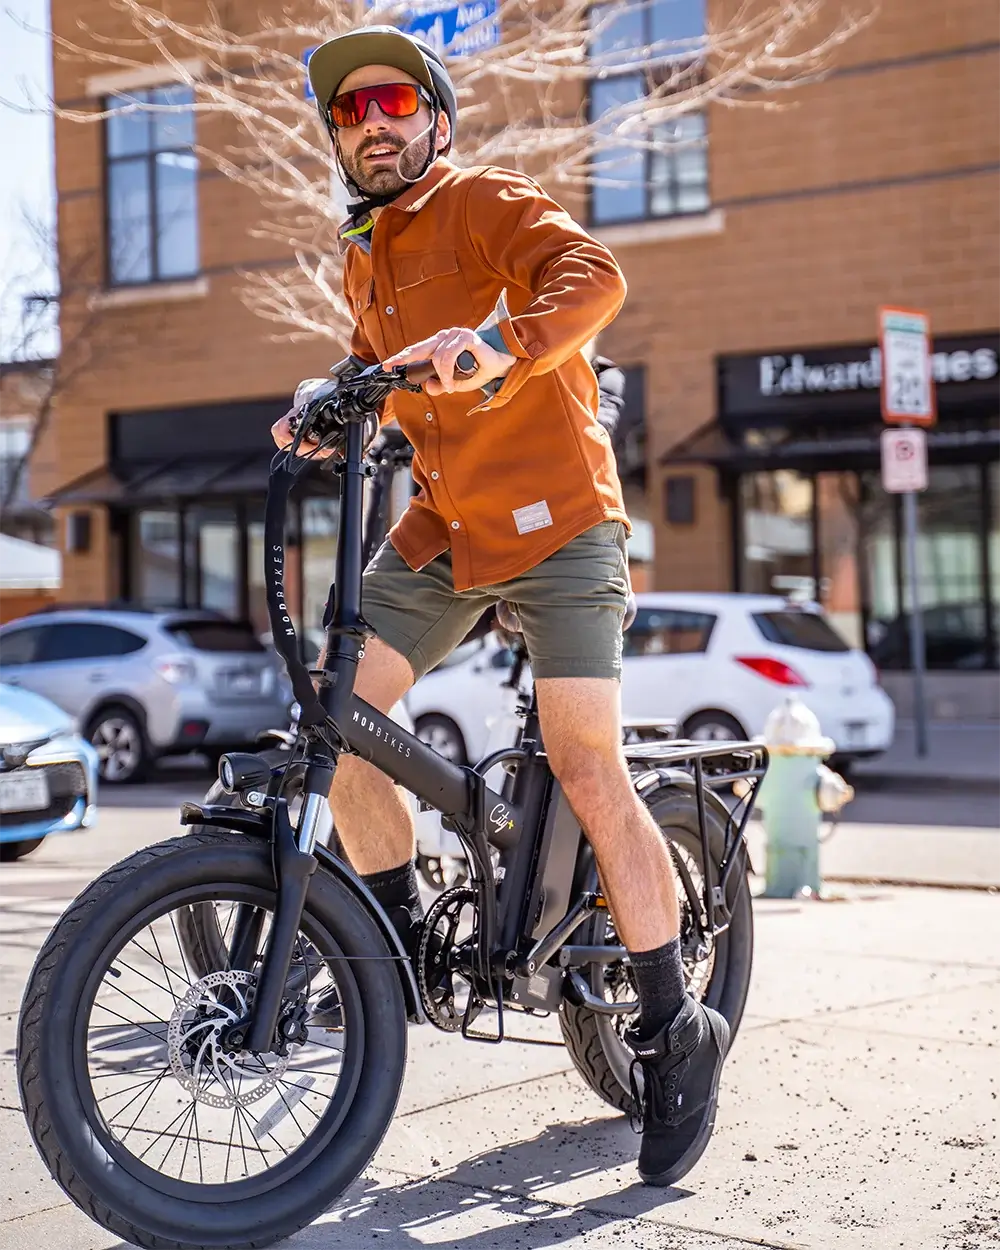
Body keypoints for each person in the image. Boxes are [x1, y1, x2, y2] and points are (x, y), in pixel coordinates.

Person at [272, 24, 729, 1188]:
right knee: (336, 723)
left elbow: (596, 279)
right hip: (440, 531)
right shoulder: (364, 249)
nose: (368, 123)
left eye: (388, 101)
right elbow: (383, 365)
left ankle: (676, 1023)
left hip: (563, 523)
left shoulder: (482, 199)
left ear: (431, 115)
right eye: (347, 112)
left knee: (585, 762)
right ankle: (390, 946)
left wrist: (499, 344)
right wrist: (332, 401)